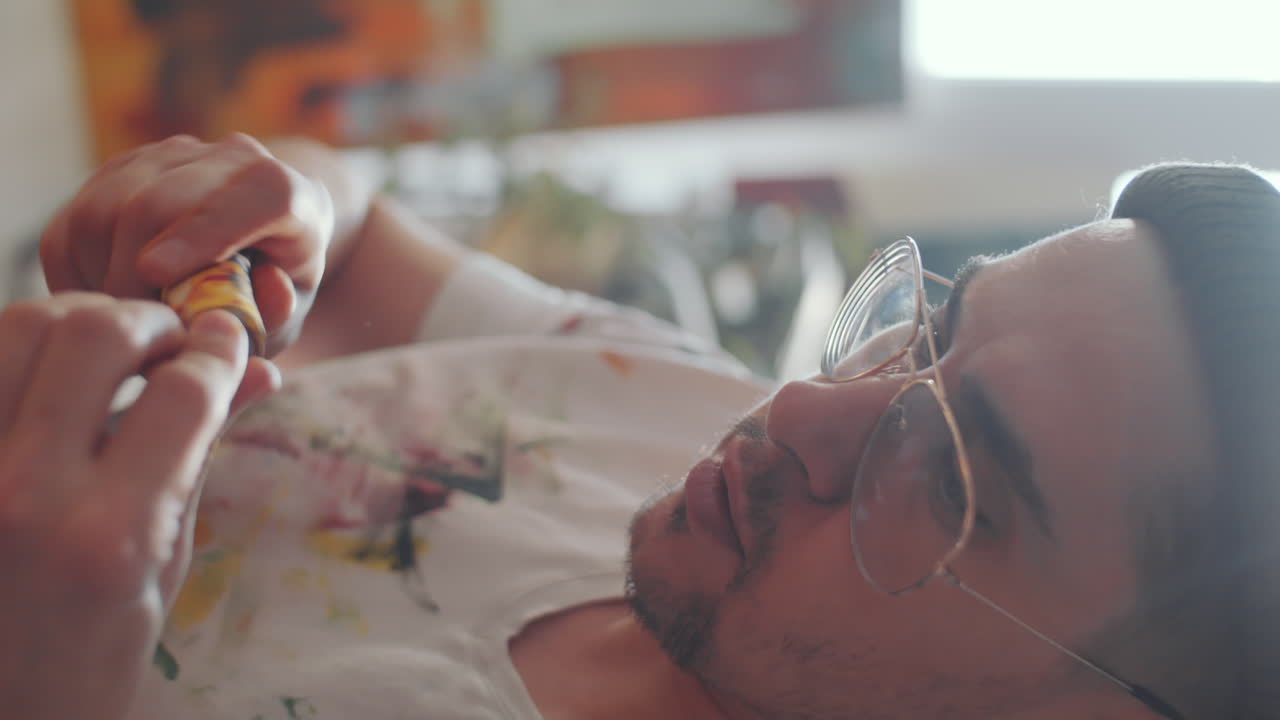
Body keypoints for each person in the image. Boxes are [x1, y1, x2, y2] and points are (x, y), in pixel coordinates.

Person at [1, 133, 1276, 720]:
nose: (793, 411)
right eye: (928, 329)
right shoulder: (658, 393)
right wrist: (270, 212)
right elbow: (359, 222)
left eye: (944, 473)